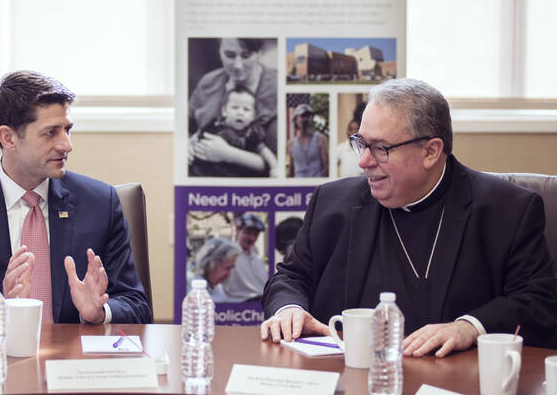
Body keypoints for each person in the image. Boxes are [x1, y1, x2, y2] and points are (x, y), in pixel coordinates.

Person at [261, 78, 557, 356]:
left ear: (431, 151)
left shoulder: (507, 209)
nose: (363, 161)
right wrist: (288, 309)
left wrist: (469, 327)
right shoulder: (332, 203)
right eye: (361, 143)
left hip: (453, 384)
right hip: (348, 379)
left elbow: (538, 301)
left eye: (380, 148)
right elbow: (291, 276)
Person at [0, 71, 151, 325]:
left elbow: (136, 305)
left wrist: (100, 312)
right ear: (8, 138)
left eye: (67, 130)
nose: (66, 145)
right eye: (50, 132)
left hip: (73, 360)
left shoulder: (101, 203)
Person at [188, 38, 277, 174]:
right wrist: (187, 145)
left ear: (259, 53)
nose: (237, 65)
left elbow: (277, 163)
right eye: (229, 55)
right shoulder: (208, 82)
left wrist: (228, 154)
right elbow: (187, 128)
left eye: (246, 56)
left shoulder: (277, 88)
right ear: (219, 51)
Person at [190, 88, 277, 177]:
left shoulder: (251, 133)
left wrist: (274, 167)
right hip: (204, 171)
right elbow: (197, 136)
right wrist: (190, 147)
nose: (240, 113)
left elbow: (265, 152)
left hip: (233, 176)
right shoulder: (215, 125)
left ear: (253, 116)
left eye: (246, 109)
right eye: (235, 107)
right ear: (224, 111)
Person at [223, 214, 269, 302]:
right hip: (238, 307)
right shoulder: (227, 254)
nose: (251, 238)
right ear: (237, 229)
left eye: (255, 234)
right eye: (247, 232)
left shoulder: (257, 260)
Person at [192, 237, 241, 302]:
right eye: (227, 268)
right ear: (210, 264)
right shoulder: (191, 292)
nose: (229, 275)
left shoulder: (218, 290)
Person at [287, 103, 328, 177]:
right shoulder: (291, 143)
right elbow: (291, 170)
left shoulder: (320, 139)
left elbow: (326, 166)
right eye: (302, 116)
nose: (305, 119)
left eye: (308, 116)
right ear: (296, 119)